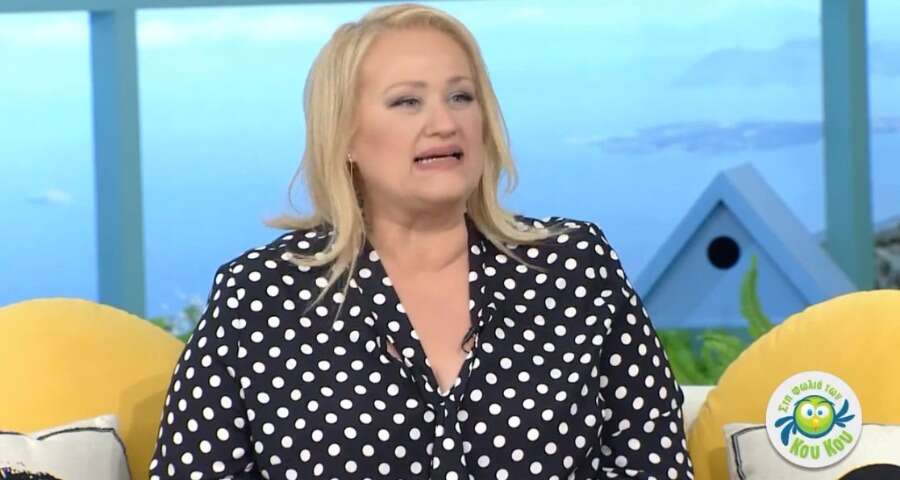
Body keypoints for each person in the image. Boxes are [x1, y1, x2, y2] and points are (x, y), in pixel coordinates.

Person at [148, 3, 694, 479]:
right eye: (407, 102)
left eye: (461, 96)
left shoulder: (574, 269)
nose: (444, 123)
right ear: (345, 135)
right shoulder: (258, 298)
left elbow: (652, 463)